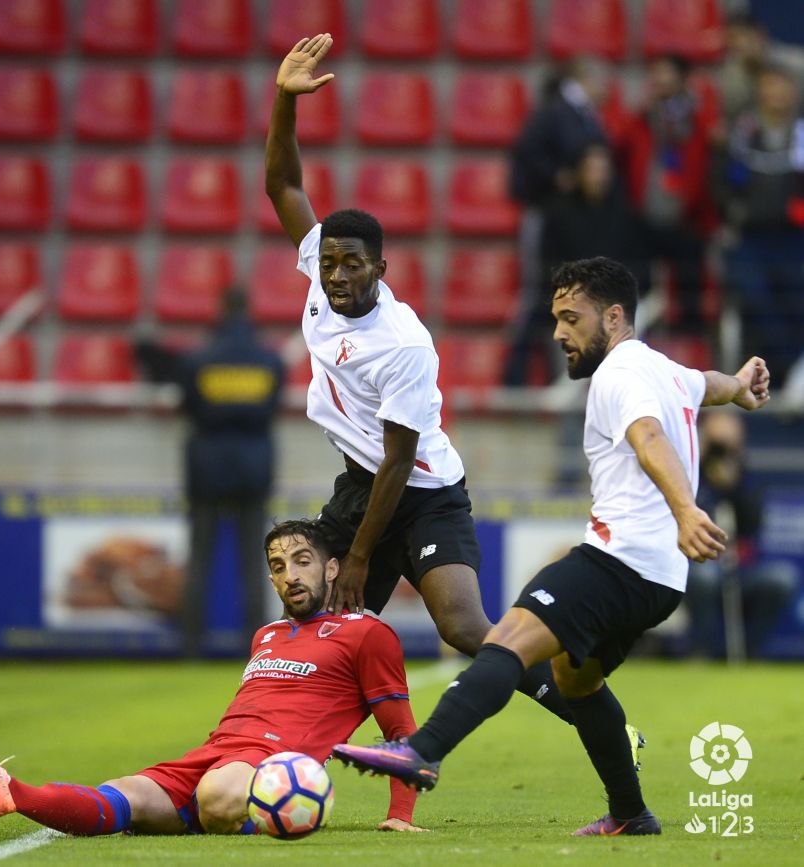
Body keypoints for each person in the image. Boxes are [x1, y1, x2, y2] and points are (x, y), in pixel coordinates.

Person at [333, 257, 771, 837]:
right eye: (556, 319)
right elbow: (705, 384)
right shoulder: (663, 369)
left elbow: (648, 437)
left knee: (509, 637)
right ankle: (630, 813)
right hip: (662, 579)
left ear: (614, 319)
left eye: (572, 318)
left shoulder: (620, 375)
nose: (559, 333)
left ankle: (423, 752)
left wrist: (686, 508)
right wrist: (738, 387)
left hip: (621, 560)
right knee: (576, 681)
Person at [262, 34, 581, 728]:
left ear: (380, 267)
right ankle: (282, 748)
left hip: (424, 492)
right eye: (331, 263)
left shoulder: (403, 343)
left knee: (466, 630)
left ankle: (587, 710)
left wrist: (361, 557)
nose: (338, 275)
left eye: (354, 265)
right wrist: (285, 101)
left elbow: (402, 459)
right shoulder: (320, 274)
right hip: (363, 481)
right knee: (323, 623)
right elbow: (284, 185)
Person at [0, 519, 427, 835]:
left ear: (333, 568)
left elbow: (400, 731)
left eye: (303, 562)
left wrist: (399, 815)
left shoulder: (367, 634)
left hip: (271, 765)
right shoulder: (267, 634)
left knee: (216, 797)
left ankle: (273, 814)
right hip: (212, 755)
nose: (290, 575)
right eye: (278, 567)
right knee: (122, 793)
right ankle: (8, 790)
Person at [136, 289, 284, 656]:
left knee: (200, 556)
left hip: (206, 467)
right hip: (253, 466)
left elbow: (187, 406)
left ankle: (190, 644)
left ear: (220, 311)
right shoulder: (269, 361)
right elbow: (271, 410)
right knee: (255, 560)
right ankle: (257, 644)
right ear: (249, 311)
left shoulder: (200, 361)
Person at [505, 57, 615, 385]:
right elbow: (524, 153)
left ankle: (533, 376)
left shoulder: (575, 114)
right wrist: (556, 176)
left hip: (567, 221)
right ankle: (514, 376)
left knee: (554, 299)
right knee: (539, 294)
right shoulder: (557, 112)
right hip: (547, 219)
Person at [712, 62, 804, 391]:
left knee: (798, 304)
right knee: (757, 305)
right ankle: (787, 374)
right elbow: (723, 180)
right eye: (770, 85)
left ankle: (793, 380)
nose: (776, 93)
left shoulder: (800, 131)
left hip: (795, 239)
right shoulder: (742, 132)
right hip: (751, 239)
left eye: (782, 85)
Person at [685, 411, 798, 658]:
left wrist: (732, 487)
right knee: (704, 578)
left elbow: (753, 525)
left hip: (740, 568)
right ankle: (701, 652)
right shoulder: (688, 474)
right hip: (697, 565)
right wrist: (707, 470)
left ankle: (746, 653)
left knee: (782, 578)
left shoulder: (745, 478)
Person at [621, 55, 714, 334]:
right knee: (639, 292)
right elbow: (622, 149)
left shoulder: (700, 119)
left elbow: (705, 166)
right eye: (656, 71)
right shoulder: (642, 117)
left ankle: (690, 360)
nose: (660, 78)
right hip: (644, 218)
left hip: (687, 219)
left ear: (682, 78)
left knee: (690, 296)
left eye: (666, 72)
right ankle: (636, 347)